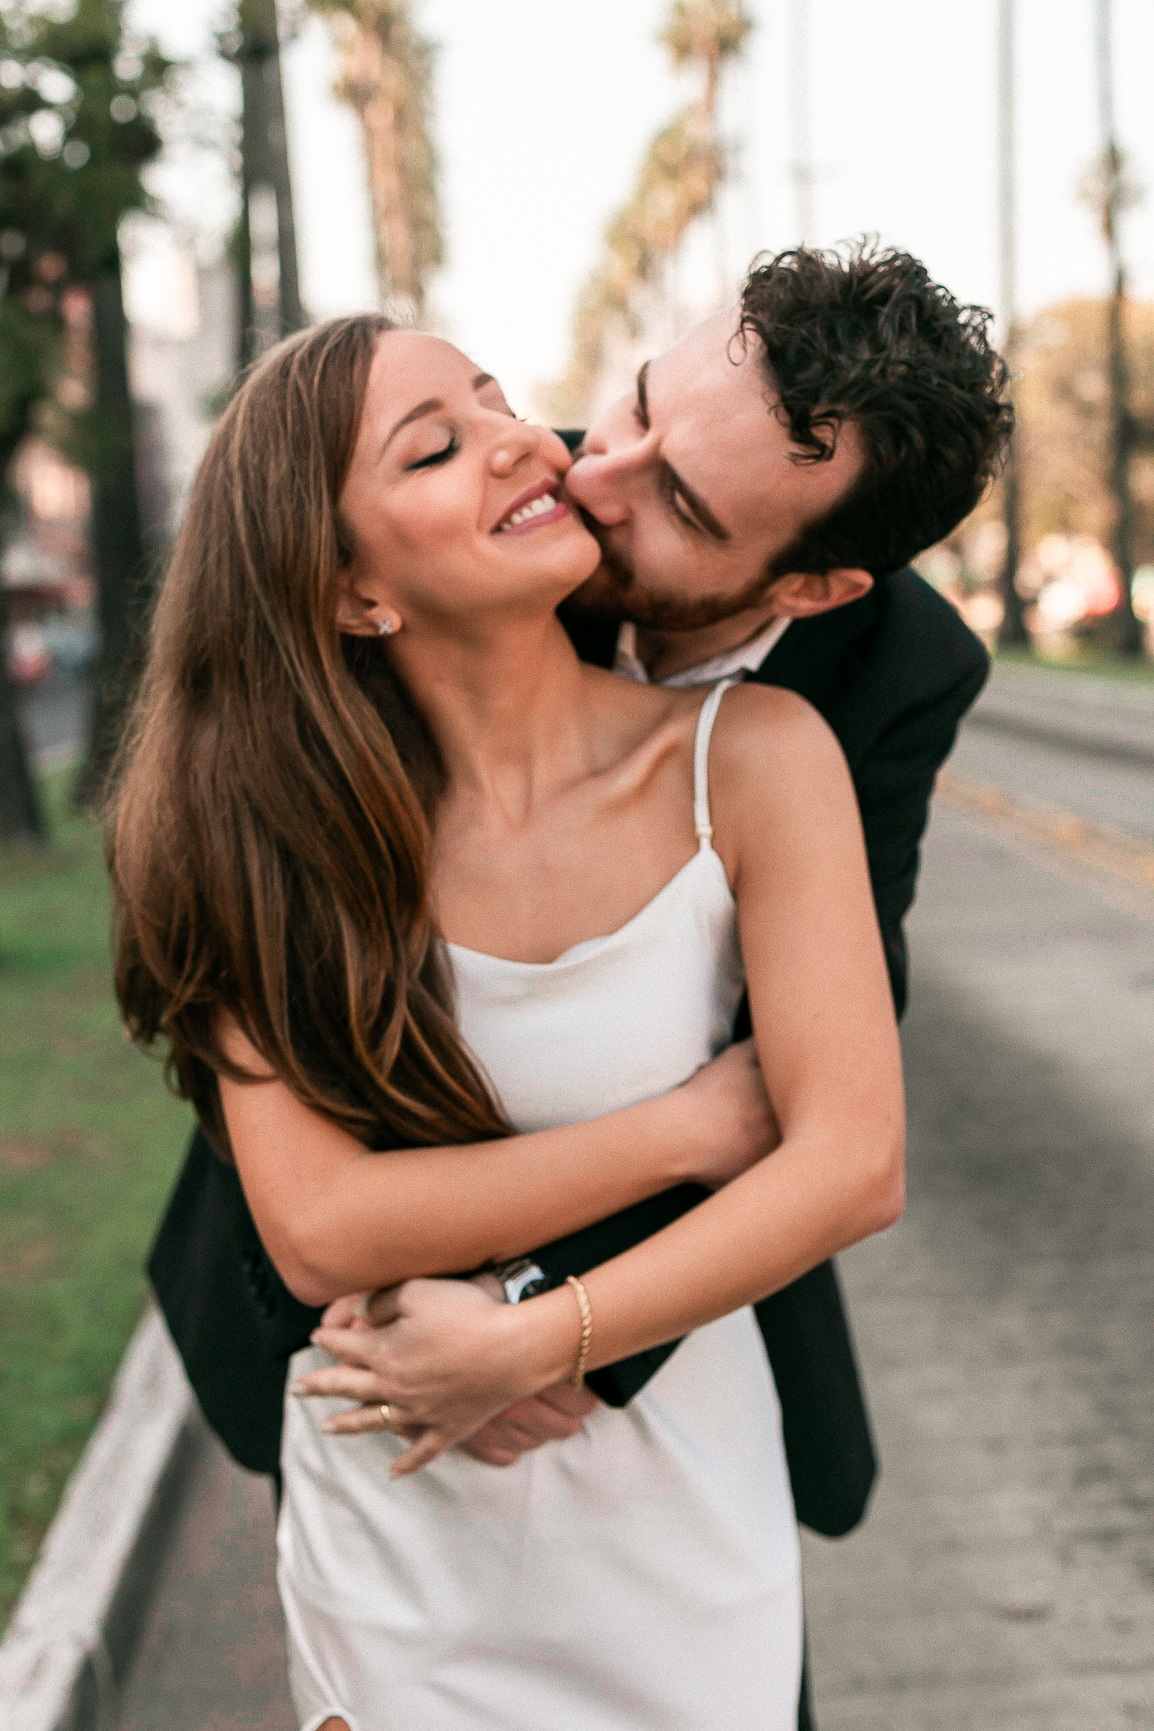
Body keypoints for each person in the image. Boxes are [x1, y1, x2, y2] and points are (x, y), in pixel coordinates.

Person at [143, 247, 1011, 1727]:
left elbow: (826, 1111)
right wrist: (675, 1139)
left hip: (658, 1418)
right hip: (373, 1384)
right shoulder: (486, 488)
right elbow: (318, 1196)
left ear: (810, 583)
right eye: (632, 413)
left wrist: (542, 1328)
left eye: (681, 504)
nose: (590, 475)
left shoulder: (851, 695)